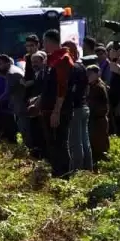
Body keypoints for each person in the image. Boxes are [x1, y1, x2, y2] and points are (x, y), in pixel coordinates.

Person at [40, 30, 74, 178]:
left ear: (50, 41)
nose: (43, 45)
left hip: (59, 110)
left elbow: (62, 87)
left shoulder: (63, 59)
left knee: (60, 142)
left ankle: (64, 175)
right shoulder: (51, 59)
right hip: (47, 109)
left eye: (44, 42)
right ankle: (56, 173)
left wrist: (56, 111)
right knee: (51, 144)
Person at [64, 41, 92, 172]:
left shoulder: (72, 68)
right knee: (84, 141)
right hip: (83, 106)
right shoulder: (82, 67)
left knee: (75, 143)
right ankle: (88, 169)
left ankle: (77, 171)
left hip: (75, 108)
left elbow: (70, 90)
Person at [86, 64, 111, 167]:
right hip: (94, 119)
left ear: (97, 74)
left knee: (100, 145)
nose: (88, 76)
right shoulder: (92, 86)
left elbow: (101, 106)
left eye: (91, 74)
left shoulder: (99, 87)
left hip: (98, 120)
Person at [25, 51, 48, 159]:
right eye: (32, 62)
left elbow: (45, 91)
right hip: (34, 107)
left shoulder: (45, 74)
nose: (34, 64)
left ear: (43, 61)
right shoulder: (35, 74)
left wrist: (37, 100)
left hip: (42, 108)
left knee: (42, 134)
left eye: (36, 62)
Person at [0, 54, 18, 143]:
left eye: (0, 64)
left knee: (10, 136)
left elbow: (8, 92)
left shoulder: (12, 74)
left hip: (9, 111)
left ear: (8, 64)